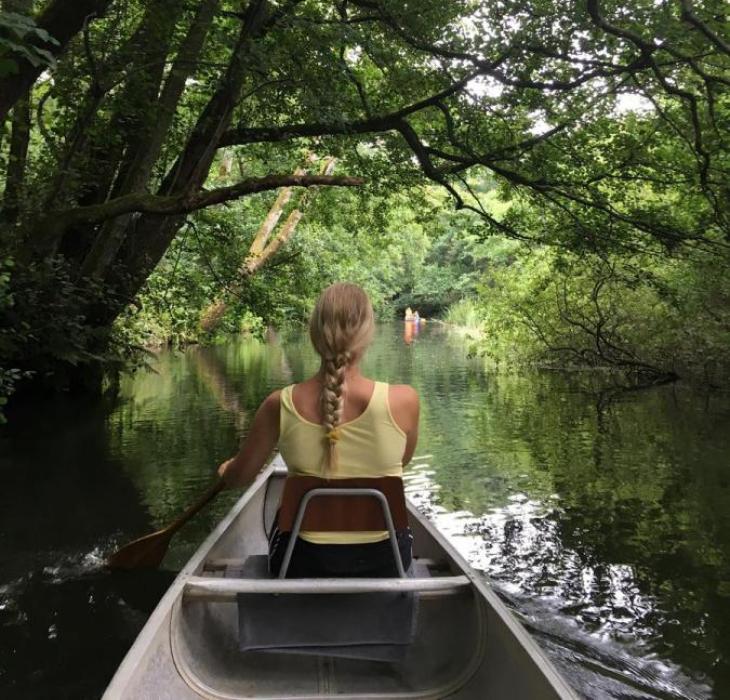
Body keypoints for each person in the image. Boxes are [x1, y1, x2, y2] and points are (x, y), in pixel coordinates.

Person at [218, 282, 420, 578]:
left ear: (314, 332)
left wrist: (227, 470)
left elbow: (240, 477)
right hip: (387, 562)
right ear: (368, 336)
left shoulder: (280, 404)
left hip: (299, 563)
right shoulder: (405, 400)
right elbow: (401, 462)